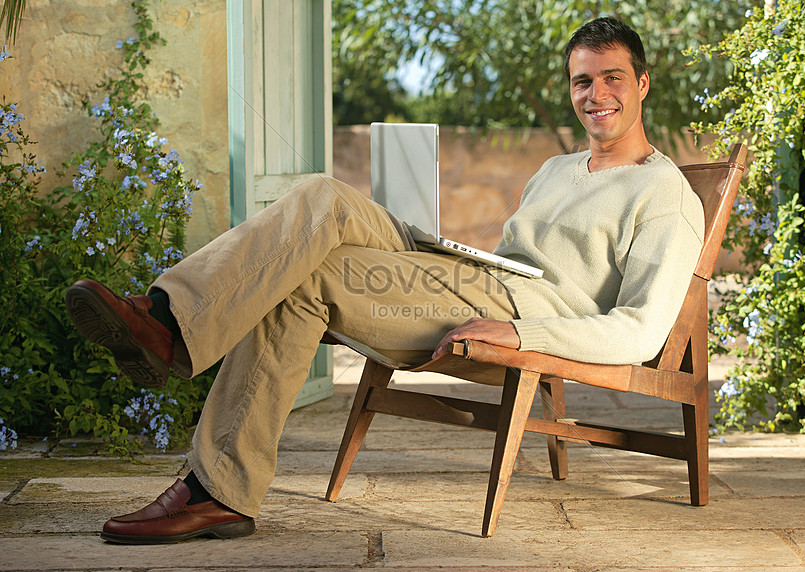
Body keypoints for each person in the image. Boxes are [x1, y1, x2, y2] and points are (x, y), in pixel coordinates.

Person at [65, 16, 704, 544]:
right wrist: (456, 254)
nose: (596, 94)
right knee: (319, 195)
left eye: (611, 78)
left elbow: (639, 332)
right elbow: (514, 253)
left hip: (511, 312)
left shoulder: (663, 195)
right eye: (582, 81)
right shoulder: (557, 169)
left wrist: (516, 329)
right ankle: (169, 319)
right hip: (470, 276)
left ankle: (212, 482)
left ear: (643, 83)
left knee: (303, 279)